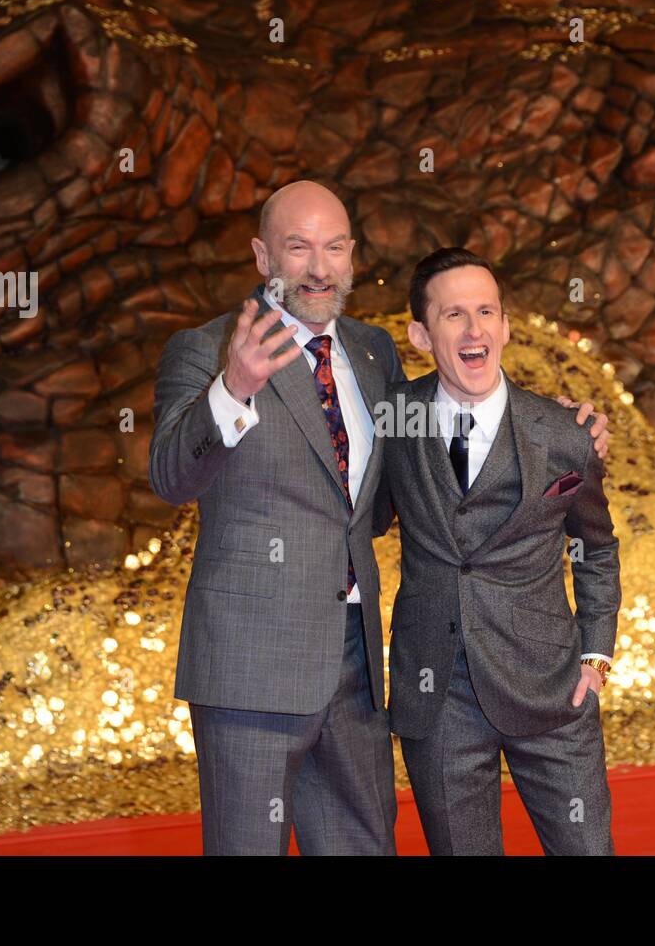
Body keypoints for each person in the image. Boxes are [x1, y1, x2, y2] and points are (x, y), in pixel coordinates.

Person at [148, 181, 609, 854]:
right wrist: (234, 388)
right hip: (254, 665)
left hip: (359, 668)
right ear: (261, 255)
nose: (317, 265)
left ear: (352, 257)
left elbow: (417, 475)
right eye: (297, 246)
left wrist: (565, 432)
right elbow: (170, 475)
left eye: (333, 246)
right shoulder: (207, 349)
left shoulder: (373, 354)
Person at [376, 247, 622, 855]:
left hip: (552, 687)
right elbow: (367, 512)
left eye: (486, 311)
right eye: (454, 315)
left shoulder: (566, 433)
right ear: (420, 334)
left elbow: (595, 547)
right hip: (439, 694)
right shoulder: (391, 420)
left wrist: (596, 654)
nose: (474, 328)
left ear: (506, 327)